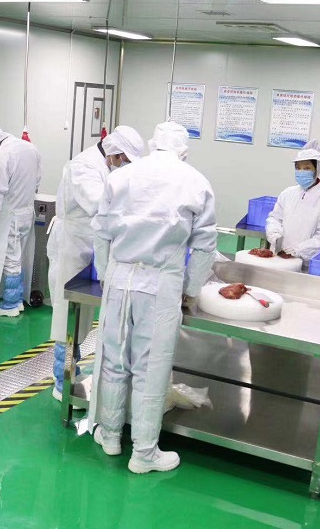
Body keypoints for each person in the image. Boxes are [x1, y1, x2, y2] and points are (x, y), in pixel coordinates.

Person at [87, 121, 217, 474]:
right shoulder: (195, 181)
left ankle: (110, 436)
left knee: (113, 360)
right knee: (151, 368)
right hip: (161, 283)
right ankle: (144, 453)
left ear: (152, 144)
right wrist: (192, 291)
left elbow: (101, 232)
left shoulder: (122, 176)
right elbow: (204, 246)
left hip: (119, 278)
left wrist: (106, 275)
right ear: (183, 151)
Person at [47, 126, 145, 404]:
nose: (124, 166)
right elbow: (102, 206)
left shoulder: (107, 166)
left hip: (89, 245)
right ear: (114, 152)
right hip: (71, 244)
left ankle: (73, 368)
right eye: (124, 160)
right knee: (66, 314)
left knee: (82, 316)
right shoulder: (84, 167)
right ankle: (62, 379)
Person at [0, 125, 42, 317]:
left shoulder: (0, 155)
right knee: (19, 256)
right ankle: (18, 300)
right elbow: (37, 181)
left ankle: (11, 305)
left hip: (10, 216)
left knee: (9, 260)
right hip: (27, 211)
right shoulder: (30, 148)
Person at [265, 148, 320, 262]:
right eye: (298, 168)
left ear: (317, 169)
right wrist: (274, 234)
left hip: (307, 260)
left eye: (306, 168)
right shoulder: (288, 193)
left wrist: (298, 250)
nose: (301, 171)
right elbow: (274, 218)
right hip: (278, 258)